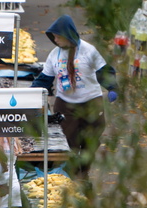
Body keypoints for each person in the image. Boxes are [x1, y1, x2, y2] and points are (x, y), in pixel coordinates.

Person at [31, 14, 118, 181]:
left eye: (57, 36)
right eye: (54, 37)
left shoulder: (88, 51)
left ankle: (83, 174)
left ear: (66, 35)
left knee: (89, 143)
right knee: (67, 144)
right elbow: (44, 79)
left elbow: (104, 71)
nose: (55, 40)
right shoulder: (54, 55)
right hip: (65, 105)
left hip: (91, 103)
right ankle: (69, 177)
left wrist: (113, 88)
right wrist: (29, 93)